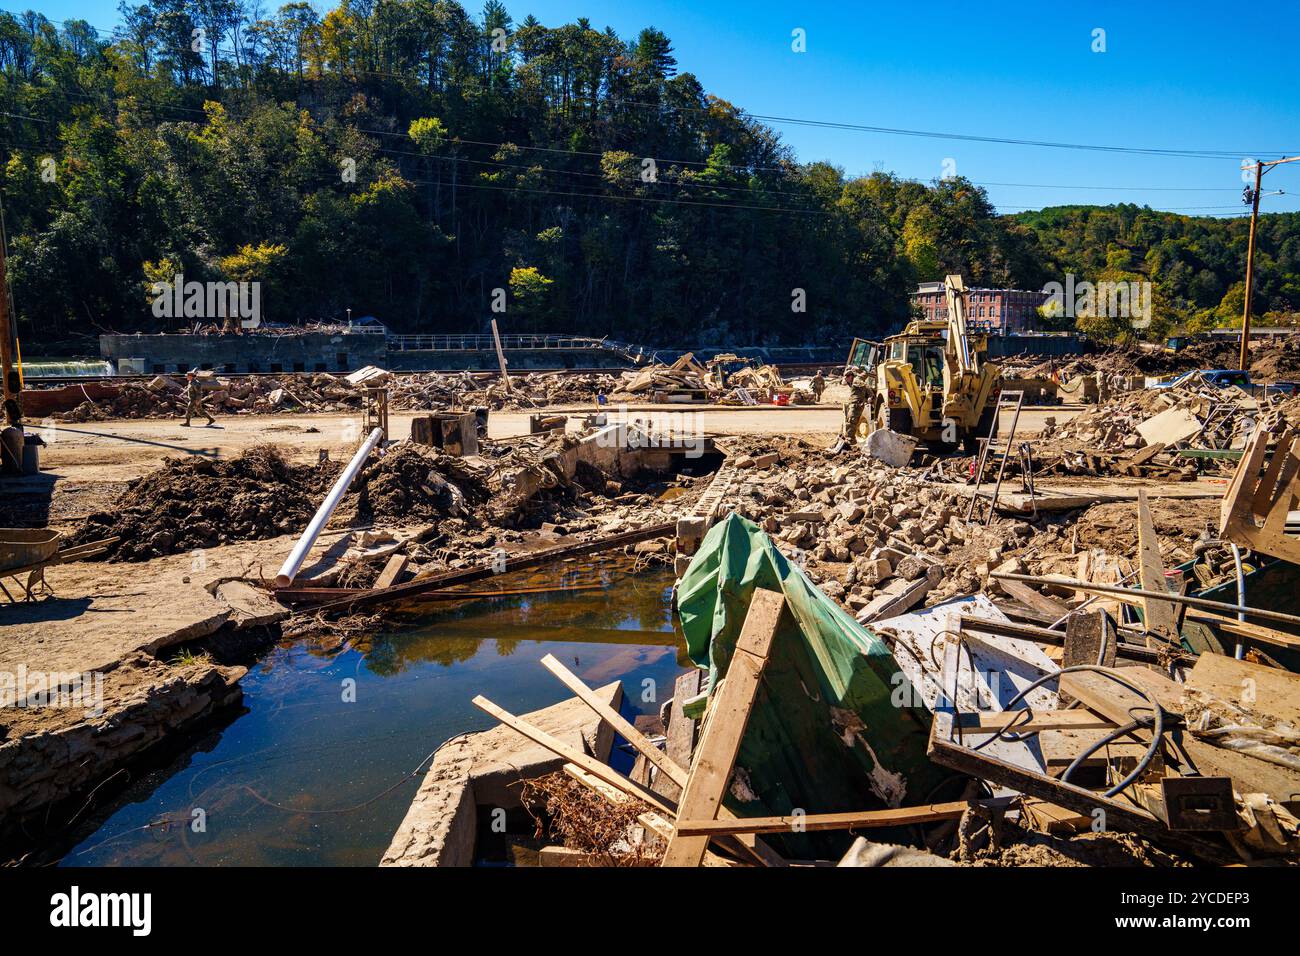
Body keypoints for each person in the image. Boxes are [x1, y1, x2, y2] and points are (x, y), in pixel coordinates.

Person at [841, 366, 870, 442]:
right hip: (855, 403)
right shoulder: (854, 380)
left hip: (856, 404)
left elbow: (865, 386)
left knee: (851, 421)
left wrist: (870, 396)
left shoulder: (856, 381)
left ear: (850, 376)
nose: (846, 379)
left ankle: (850, 439)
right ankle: (850, 439)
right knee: (851, 420)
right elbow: (843, 383)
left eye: (847, 377)